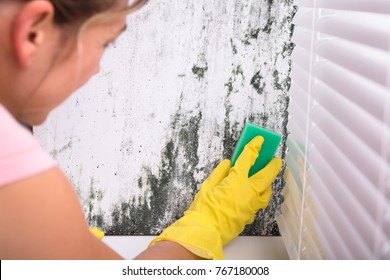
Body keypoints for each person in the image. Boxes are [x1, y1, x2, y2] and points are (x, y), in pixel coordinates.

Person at [0, 0, 282, 260]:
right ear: (33, 33)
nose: (97, 69)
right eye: (106, 43)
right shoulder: (13, 167)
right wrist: (211, 220)